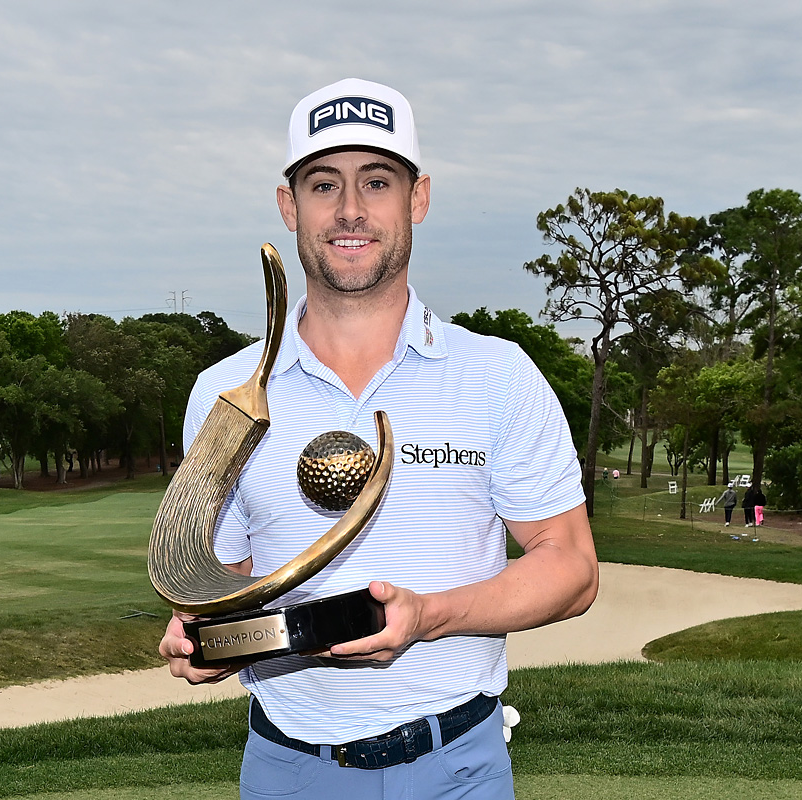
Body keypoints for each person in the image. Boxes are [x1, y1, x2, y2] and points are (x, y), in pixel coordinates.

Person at [159, 78, 599, 799]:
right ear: (288, 205)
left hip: (457, 765)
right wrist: (203, 636)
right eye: (324, 183)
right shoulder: (226, 395)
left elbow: (573, 568)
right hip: (289, 771)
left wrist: (430, 616)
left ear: (417, 199)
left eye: (377, 181)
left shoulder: (495, 374)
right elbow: (230, 585)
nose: (351, 209)